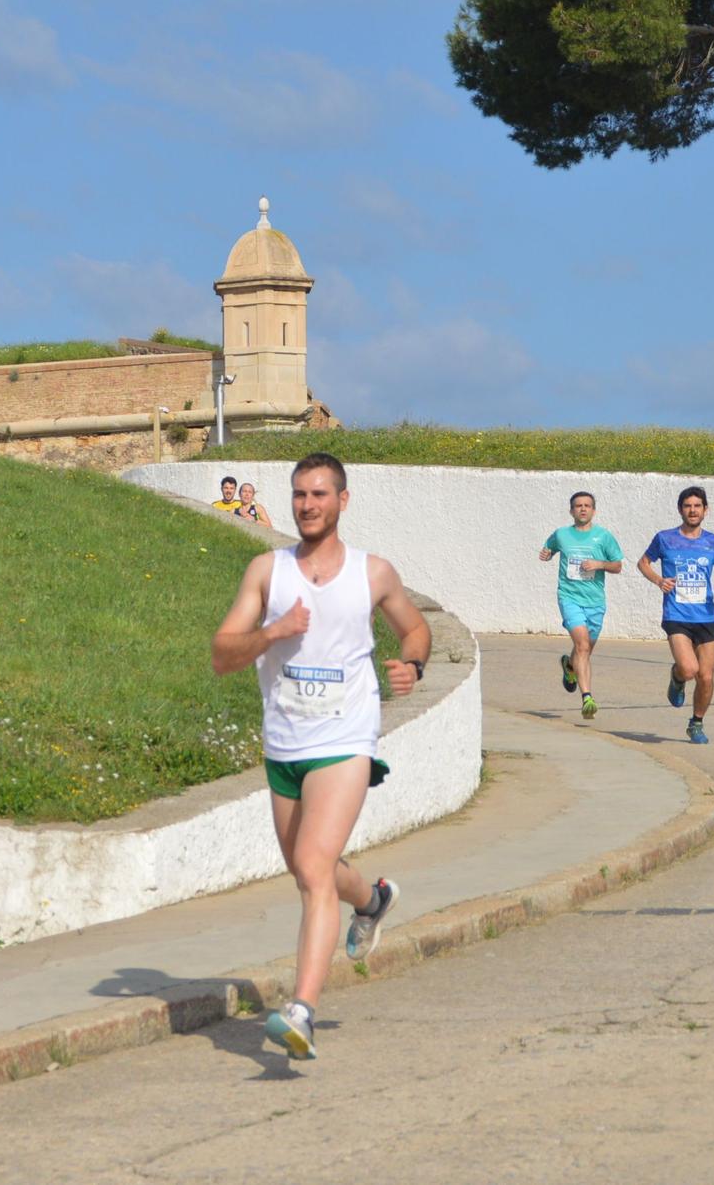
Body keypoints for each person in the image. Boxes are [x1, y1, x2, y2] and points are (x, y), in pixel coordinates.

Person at [212, 451, 432, 1060]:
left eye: (319, 494)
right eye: (299, 495)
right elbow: (222, 654)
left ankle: (300, 1011)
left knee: (312, 863)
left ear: (342, 500)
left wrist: (411, 664)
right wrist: (273, 633)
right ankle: (373, 899)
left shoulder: (373, 573)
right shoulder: (267, 571)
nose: (308, 505)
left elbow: (415, 630)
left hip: (346, 737)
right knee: (310, 870)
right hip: (284, 742)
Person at [636, 486, 714, 744]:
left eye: (697, 506)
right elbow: (643, 563)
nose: (692, 510)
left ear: (705, 510)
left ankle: (697, 723)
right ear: (680, 509)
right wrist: (659, 580)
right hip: (676, 614)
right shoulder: (665, 538)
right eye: (688, 506)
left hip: (706, 617)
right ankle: (677, 677)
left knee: (706, 676)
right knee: (689, 669)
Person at [539, 490, 623, 719]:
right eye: (578, 506)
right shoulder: (562, 534)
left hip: (595, 601)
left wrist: (599, 564)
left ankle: (570, 667)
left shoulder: (603, 536)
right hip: (569, 597)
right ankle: (587, 697)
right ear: (571, 511)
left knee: (583, 651)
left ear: (593, 510)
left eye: (587, 505)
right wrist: (546, 554)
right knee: (583, 647)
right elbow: (549, 549)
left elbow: (617, 565)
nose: (583, 509)